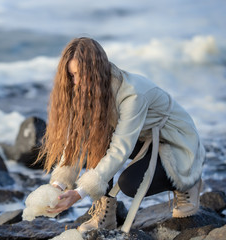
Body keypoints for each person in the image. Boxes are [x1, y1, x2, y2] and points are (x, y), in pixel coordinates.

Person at [35, 37, 205, 233]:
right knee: (96, 137)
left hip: (177, 143)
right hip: (143, 139)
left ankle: (188, 181)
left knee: (130, 184)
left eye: (81, 74)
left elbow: (120, 147)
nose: (76, 82)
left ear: (96, 70)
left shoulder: (132, 93)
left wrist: (80, 193)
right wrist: (59, 185)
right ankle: (105, 214)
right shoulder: (89, 91)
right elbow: (76, 142)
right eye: (72, 75)